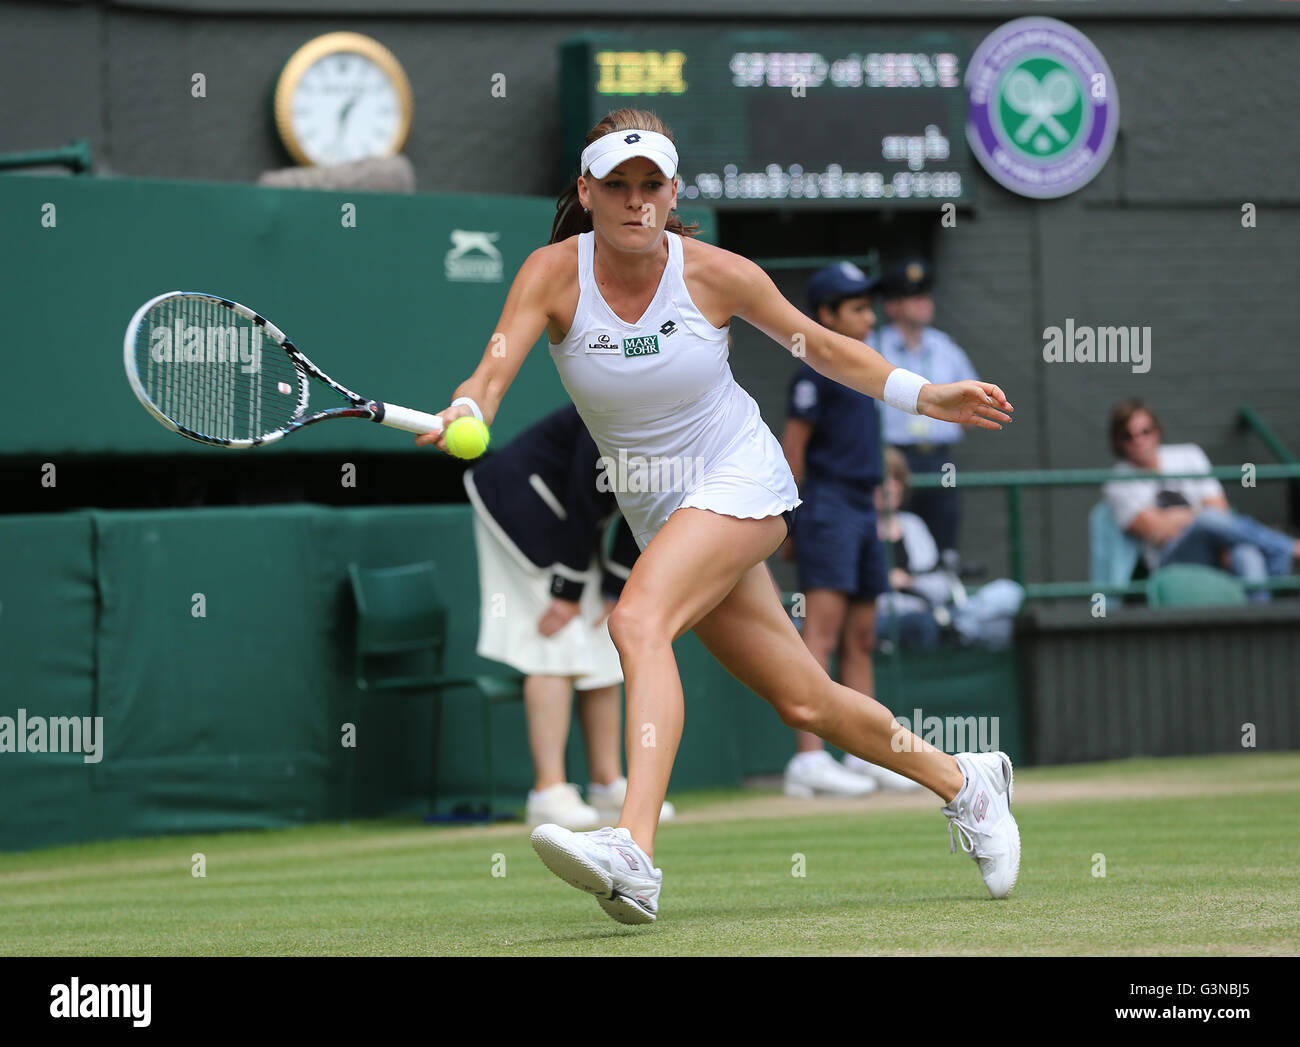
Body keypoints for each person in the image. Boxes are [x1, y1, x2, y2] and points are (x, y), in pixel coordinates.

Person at [418, 108, 1018, 925]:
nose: (636, 203)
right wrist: (464, 407)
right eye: (619, 187)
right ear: (587, 193)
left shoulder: (715, 273)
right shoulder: (551, 274)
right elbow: (489, 376)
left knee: (637, 621)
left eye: (652, 187)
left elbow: (823, 346)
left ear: (672, 194)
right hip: (659, 510)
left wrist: (925, 393)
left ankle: (633, 849)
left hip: (741, 478)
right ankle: (966, 782)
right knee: (806, 701)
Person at [464, 403, 674, 827]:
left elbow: (655, 509)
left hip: (573, 523)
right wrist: (567, 592)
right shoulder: (617, 400)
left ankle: (606, 783)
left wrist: (616, 587)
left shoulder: (687, 418)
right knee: (555, 642)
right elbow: (584, 494)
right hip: (523, 506)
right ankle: (548, 790)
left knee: (604, 643)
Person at [779, 263, 918, 796]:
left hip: (864, 509)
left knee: (861, 638)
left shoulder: (868, 368)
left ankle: (864, 754)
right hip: (827, 507)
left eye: (869, 305)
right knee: (822, 634)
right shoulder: (812, 371)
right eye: (856, 307)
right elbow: (793, 453)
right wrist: (790, 523)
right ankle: (808, 761)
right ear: (827, 316)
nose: (869, 315)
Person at [1103, 399, 1300, 602]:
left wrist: (1179, 518)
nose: (1138, 440)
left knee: (1246, 553)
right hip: (1171, 559)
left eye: (1145, 431)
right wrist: (1199, 516)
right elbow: (1158, 531)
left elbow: (1219, 510)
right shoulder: (1117, 482)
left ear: (1157, 431)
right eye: (1128, 435)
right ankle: (1287, 548)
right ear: (1118, 441)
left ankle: (1260, 625)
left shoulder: (1189, 454)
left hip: (1215, 542)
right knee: (1207, 519)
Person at [876, 259, 980, 563]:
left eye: (926, 295)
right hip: (893, 459)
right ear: (893, 305)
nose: (924, 303)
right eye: (913, 296)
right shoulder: (875, 347)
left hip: (939, 458)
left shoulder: (946, 347)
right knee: (897, 541)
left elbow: (972, 404)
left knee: (943, 543)